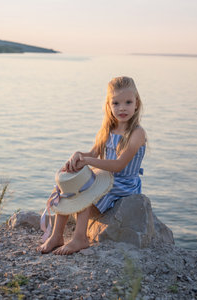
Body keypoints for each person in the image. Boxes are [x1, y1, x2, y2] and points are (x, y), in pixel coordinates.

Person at [37, 76, 146, 255]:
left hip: (124, 183)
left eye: (128, 102)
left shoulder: (137, 133)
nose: (122, 108)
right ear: (109, 106)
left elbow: (119, 165)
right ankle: (56, 236)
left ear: (136, 104)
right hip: (106, 176)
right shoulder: (107, 130)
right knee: (68, 186)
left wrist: (88, 162)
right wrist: (78, 156)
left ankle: (80, 238)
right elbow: (92, 154)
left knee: (86, 191)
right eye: (116, 103)